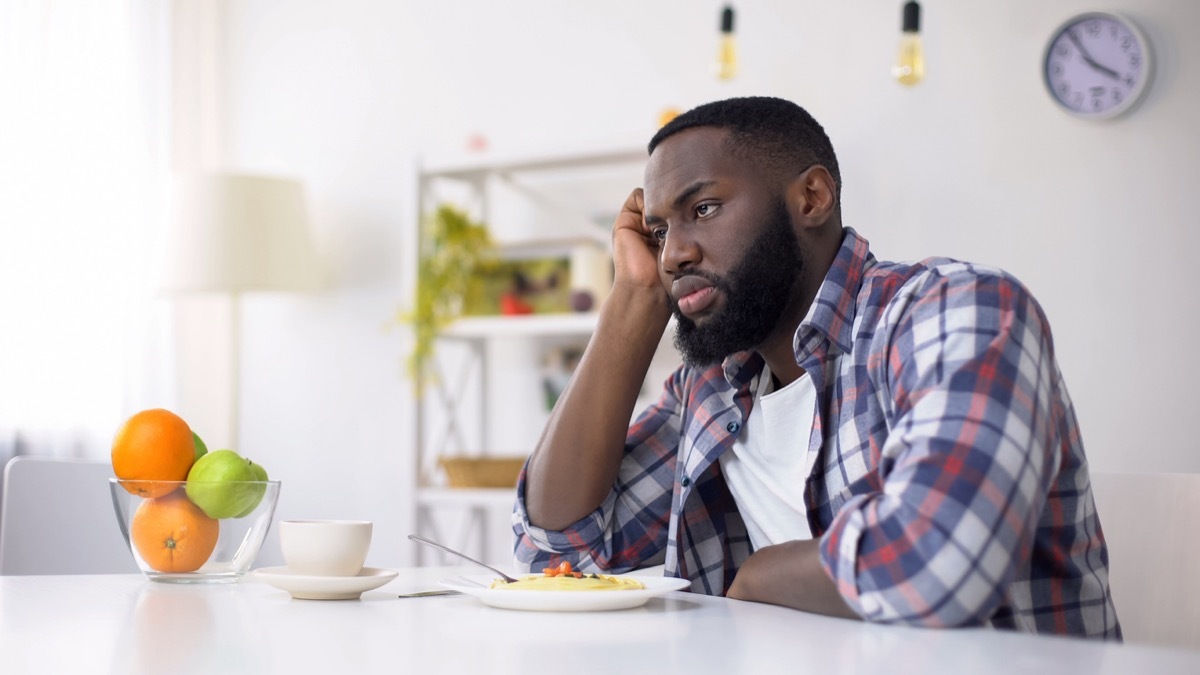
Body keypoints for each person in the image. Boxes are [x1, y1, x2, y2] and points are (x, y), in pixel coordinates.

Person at [511, 96, 1121, 640]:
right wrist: (634, 302)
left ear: (812, 197)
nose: (674, 253)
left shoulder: (955, 311)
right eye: (660, 231)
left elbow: (937, 562)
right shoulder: (712, 387)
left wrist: (758, 576)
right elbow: (561, 554)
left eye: (705, 208)